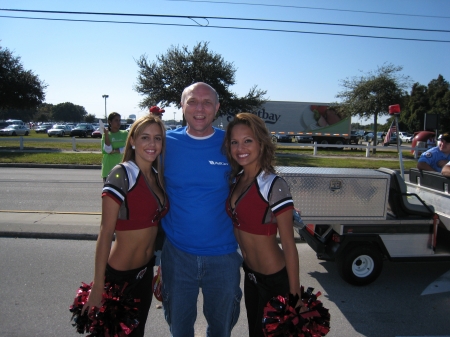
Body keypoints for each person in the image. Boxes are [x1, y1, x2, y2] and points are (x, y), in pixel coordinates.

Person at [161, 82, 242, 337]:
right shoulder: (164, 143)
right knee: (179, 328)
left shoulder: (231, 145)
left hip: (224, 256)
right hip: (177, 255)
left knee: (221, 330)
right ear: (182, 106)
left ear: (217, 108)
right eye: (193, 101)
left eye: (207, 102)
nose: (200, 108)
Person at [82, 115, 169, 336]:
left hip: (144, 273)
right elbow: (105, 232)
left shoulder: (157, 176)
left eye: (157, 138)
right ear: (132, 141)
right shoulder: (121, 174)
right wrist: (98, 286)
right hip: (119, 276)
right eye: (145, 137)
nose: (152, 144)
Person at [223, 113, 304, 337]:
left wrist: (294, 294)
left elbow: (289, 244)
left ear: (261, 142)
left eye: (248, 140)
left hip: (275, 280)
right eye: (234, 142)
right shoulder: (236, 179)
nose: (241, 148)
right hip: (250, 276)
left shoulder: (274, 184)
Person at [101, 112, 128, 181]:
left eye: (119, 120)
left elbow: (129, 148)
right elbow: (108, 150)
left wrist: (116, 150)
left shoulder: (125, 133)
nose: (118, 122)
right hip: (108, 169)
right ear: (110, 122)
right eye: (116, 120)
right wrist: (106, 134)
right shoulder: (106, 135)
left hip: (122, 169)